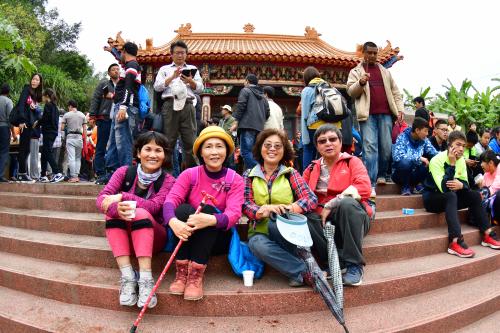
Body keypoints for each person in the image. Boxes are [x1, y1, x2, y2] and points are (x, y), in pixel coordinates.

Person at [163, 126, 244, 301]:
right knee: (182, 210)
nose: (214, 152)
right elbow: (171, 200)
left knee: (207, 209)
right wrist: (173, 221)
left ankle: (195, 276)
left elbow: (234, 214)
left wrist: (211, 219)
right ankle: (182, 272)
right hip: (188, 235)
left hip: (217, 238)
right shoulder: (189, 175)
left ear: (227, 151)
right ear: (200, 151)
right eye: (208, 147)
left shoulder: (235, 179)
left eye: (219, 146)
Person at [97, 131, 175, 309]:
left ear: (165, 155)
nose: (153, 155)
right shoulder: (123, 172)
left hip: (155, 238)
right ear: (139, 153)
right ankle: (128, 277)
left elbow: (155, 206)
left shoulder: (169, 180)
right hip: (126, 239)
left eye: (158, 150)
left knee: (139, 213)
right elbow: (102, 199)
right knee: (112, 213)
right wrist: (116, 208)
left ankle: (146, 280)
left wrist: (122, 197)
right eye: (148, 149)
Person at [243, 128, 317, 287]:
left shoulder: (291, 174)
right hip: (259, 231)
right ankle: (304, 272)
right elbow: (245, 204)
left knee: (275, 224)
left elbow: (311, 198)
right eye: (267, 145)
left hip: (286, 231)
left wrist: (289, 208)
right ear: (259, 148)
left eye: (278, 146)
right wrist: (262, 210)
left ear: (284, 151)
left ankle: (299, 273)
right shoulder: (249, 175)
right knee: (256, 245)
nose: (272, 149)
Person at [302, 124, 372, 286]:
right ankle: (335, 261)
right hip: (323, 221)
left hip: (352, 216)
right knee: (304, 216)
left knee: (347, 203)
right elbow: (302, 195)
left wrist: (330, 204)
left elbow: (363, 187)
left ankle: (354, 265)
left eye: (333, 139)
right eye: (322, 141)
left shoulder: (352, 162)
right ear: (317, 146)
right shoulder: (311, 168)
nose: (328, 143)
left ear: (340, 142)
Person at [422, 131, 500, 258]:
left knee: (474, 195)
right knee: (451, 195)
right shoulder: (436, 160)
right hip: (432, 199)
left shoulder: (461, 161)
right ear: (449, 145)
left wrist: (461, 185)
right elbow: (444, 189)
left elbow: (466, 184)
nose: (461, 148)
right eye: (458, 144)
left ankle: (487, 233)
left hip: (451, 196)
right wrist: (451, 164)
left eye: (463, 146)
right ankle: (455, 241)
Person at [347, 42, 404, 196]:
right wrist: (361, 82)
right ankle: (370, 182)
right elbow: (351, 91)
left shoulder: (385, 71)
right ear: (363, 53)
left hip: (386, 114)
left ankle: (382, 174)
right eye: (369, 53)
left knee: (386, 147)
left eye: (374, 53)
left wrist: (400, 109)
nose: (372, 56)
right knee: (369, 147)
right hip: (367, 116)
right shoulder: (356, 71)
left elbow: (395, 92)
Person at [153, 40, 203, 169]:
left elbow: (200, 88)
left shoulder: (192, 69)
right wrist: (172, 77)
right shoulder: (164, 69)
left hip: (188, 105)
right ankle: (166, 175)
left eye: (183, 53)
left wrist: (191, 81)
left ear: (186, 54)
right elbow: (157, 87)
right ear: (171, 54)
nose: (180, 55)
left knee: (190, 141)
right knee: (168, 141)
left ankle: (193, 175)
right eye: (177, 53)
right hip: (170, 105)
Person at [105, 42, 142, 177]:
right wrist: (113, 51)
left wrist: (123, 106)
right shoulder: (129, 66)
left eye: (121, 52)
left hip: (126, 107)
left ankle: (126, 176)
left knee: (123, 142)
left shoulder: (132, 66)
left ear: (125, 51)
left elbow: (129, 87)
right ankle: (113, 174)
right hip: (121, 105)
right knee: (114, 142)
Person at [300, 66, 338, 170]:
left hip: (316, 125)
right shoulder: (331, 87)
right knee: (329, 152)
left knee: (308, 149)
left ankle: (307, 179)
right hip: (333, 125)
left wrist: (305, 139)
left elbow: (305, 115)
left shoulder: (307, 90)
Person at [231, 74, 270, 170]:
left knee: (246, 152)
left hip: (247, 126)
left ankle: (260, 170)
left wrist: (236, 121)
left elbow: (241, 106)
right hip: (259, 128)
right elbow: (267, 112)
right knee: (256, 153)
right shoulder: (263, 96)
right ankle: (256, 173)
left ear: (247, 81)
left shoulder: (246, 90)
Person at [392, 117, 438, 195]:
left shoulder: (424, 140)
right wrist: (418, 158)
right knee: (405, 163)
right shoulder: (402, 137)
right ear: (417, 130)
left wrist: (448, 154)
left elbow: (434, 152)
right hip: (399, 175)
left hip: (414, 173)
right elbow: (397, 157)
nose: (427, 134)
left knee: (430, 163)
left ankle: (417, 184)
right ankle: (405, 187)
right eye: (425, 131)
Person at [91, 63, 120, 185]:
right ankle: (100, 172)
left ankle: (114, 171)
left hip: (119, 119)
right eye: (113, 70)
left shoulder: (122, 85)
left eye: (117, 69)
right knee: (101, 146)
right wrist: (92, 115)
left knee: (116, 146)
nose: (116, 71)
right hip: (105, 117)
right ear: (109, 73)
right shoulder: (104, 84)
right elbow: (96, 98)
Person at [16, 73, 43, 183]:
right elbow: (21, 105)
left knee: (26, 148)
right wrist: (21, 121)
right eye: (33, 79)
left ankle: (23, 173)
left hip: (29, 123)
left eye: (37, 80)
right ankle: (22, 174)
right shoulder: (26, 89)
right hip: (24, 123)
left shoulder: (35, 95)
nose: (34, 81)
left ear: (40, 82)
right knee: (23, 148)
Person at [38, 89, 63, 183]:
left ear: (46, 96)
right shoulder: (54, 106)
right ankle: (43, 175)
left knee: (47, 152)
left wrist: (38, 122)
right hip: (52, 132)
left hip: (48, 132)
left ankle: (57, 173)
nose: (43, 98)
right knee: (44, 153)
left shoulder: (48, 105)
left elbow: (45, 118)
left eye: (43, 96)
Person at [61, 100, 86, 183]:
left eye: (68, 106)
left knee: (71, 157)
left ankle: (73, 176)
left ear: (70, 106)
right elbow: (85, 129)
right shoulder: (82, 115)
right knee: (78, 158)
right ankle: (77, 175)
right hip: (79, 137)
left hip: (70, 137)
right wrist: (84, 139)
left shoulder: (67, 115)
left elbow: (61, 128)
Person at [479, 150, 500, 225]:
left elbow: (493, 189)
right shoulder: (486, 174)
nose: (481, 165)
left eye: (482, 162)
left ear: (490, 163)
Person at [0, 84, 13, 182]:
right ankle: (0, 175)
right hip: (4, 128)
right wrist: (12, 132)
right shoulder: (8, 101)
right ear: (8, 92)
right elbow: (10, 118)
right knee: (4, 152)